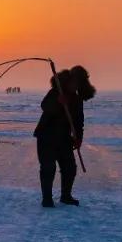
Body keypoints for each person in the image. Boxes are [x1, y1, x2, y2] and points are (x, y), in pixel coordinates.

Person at [34, 65, 95, 207]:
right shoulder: (56, 92)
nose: (75, 86)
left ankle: (66, 196)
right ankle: (47, 199)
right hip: (46, 137)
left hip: (64, 138)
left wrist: (78, 138)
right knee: (48, 168)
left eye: (78, 84)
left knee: (70, 168)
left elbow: (79, 121)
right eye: (74, 82)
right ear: (70, 80)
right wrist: (58, 102)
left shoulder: (77, 99)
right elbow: (45, 106)